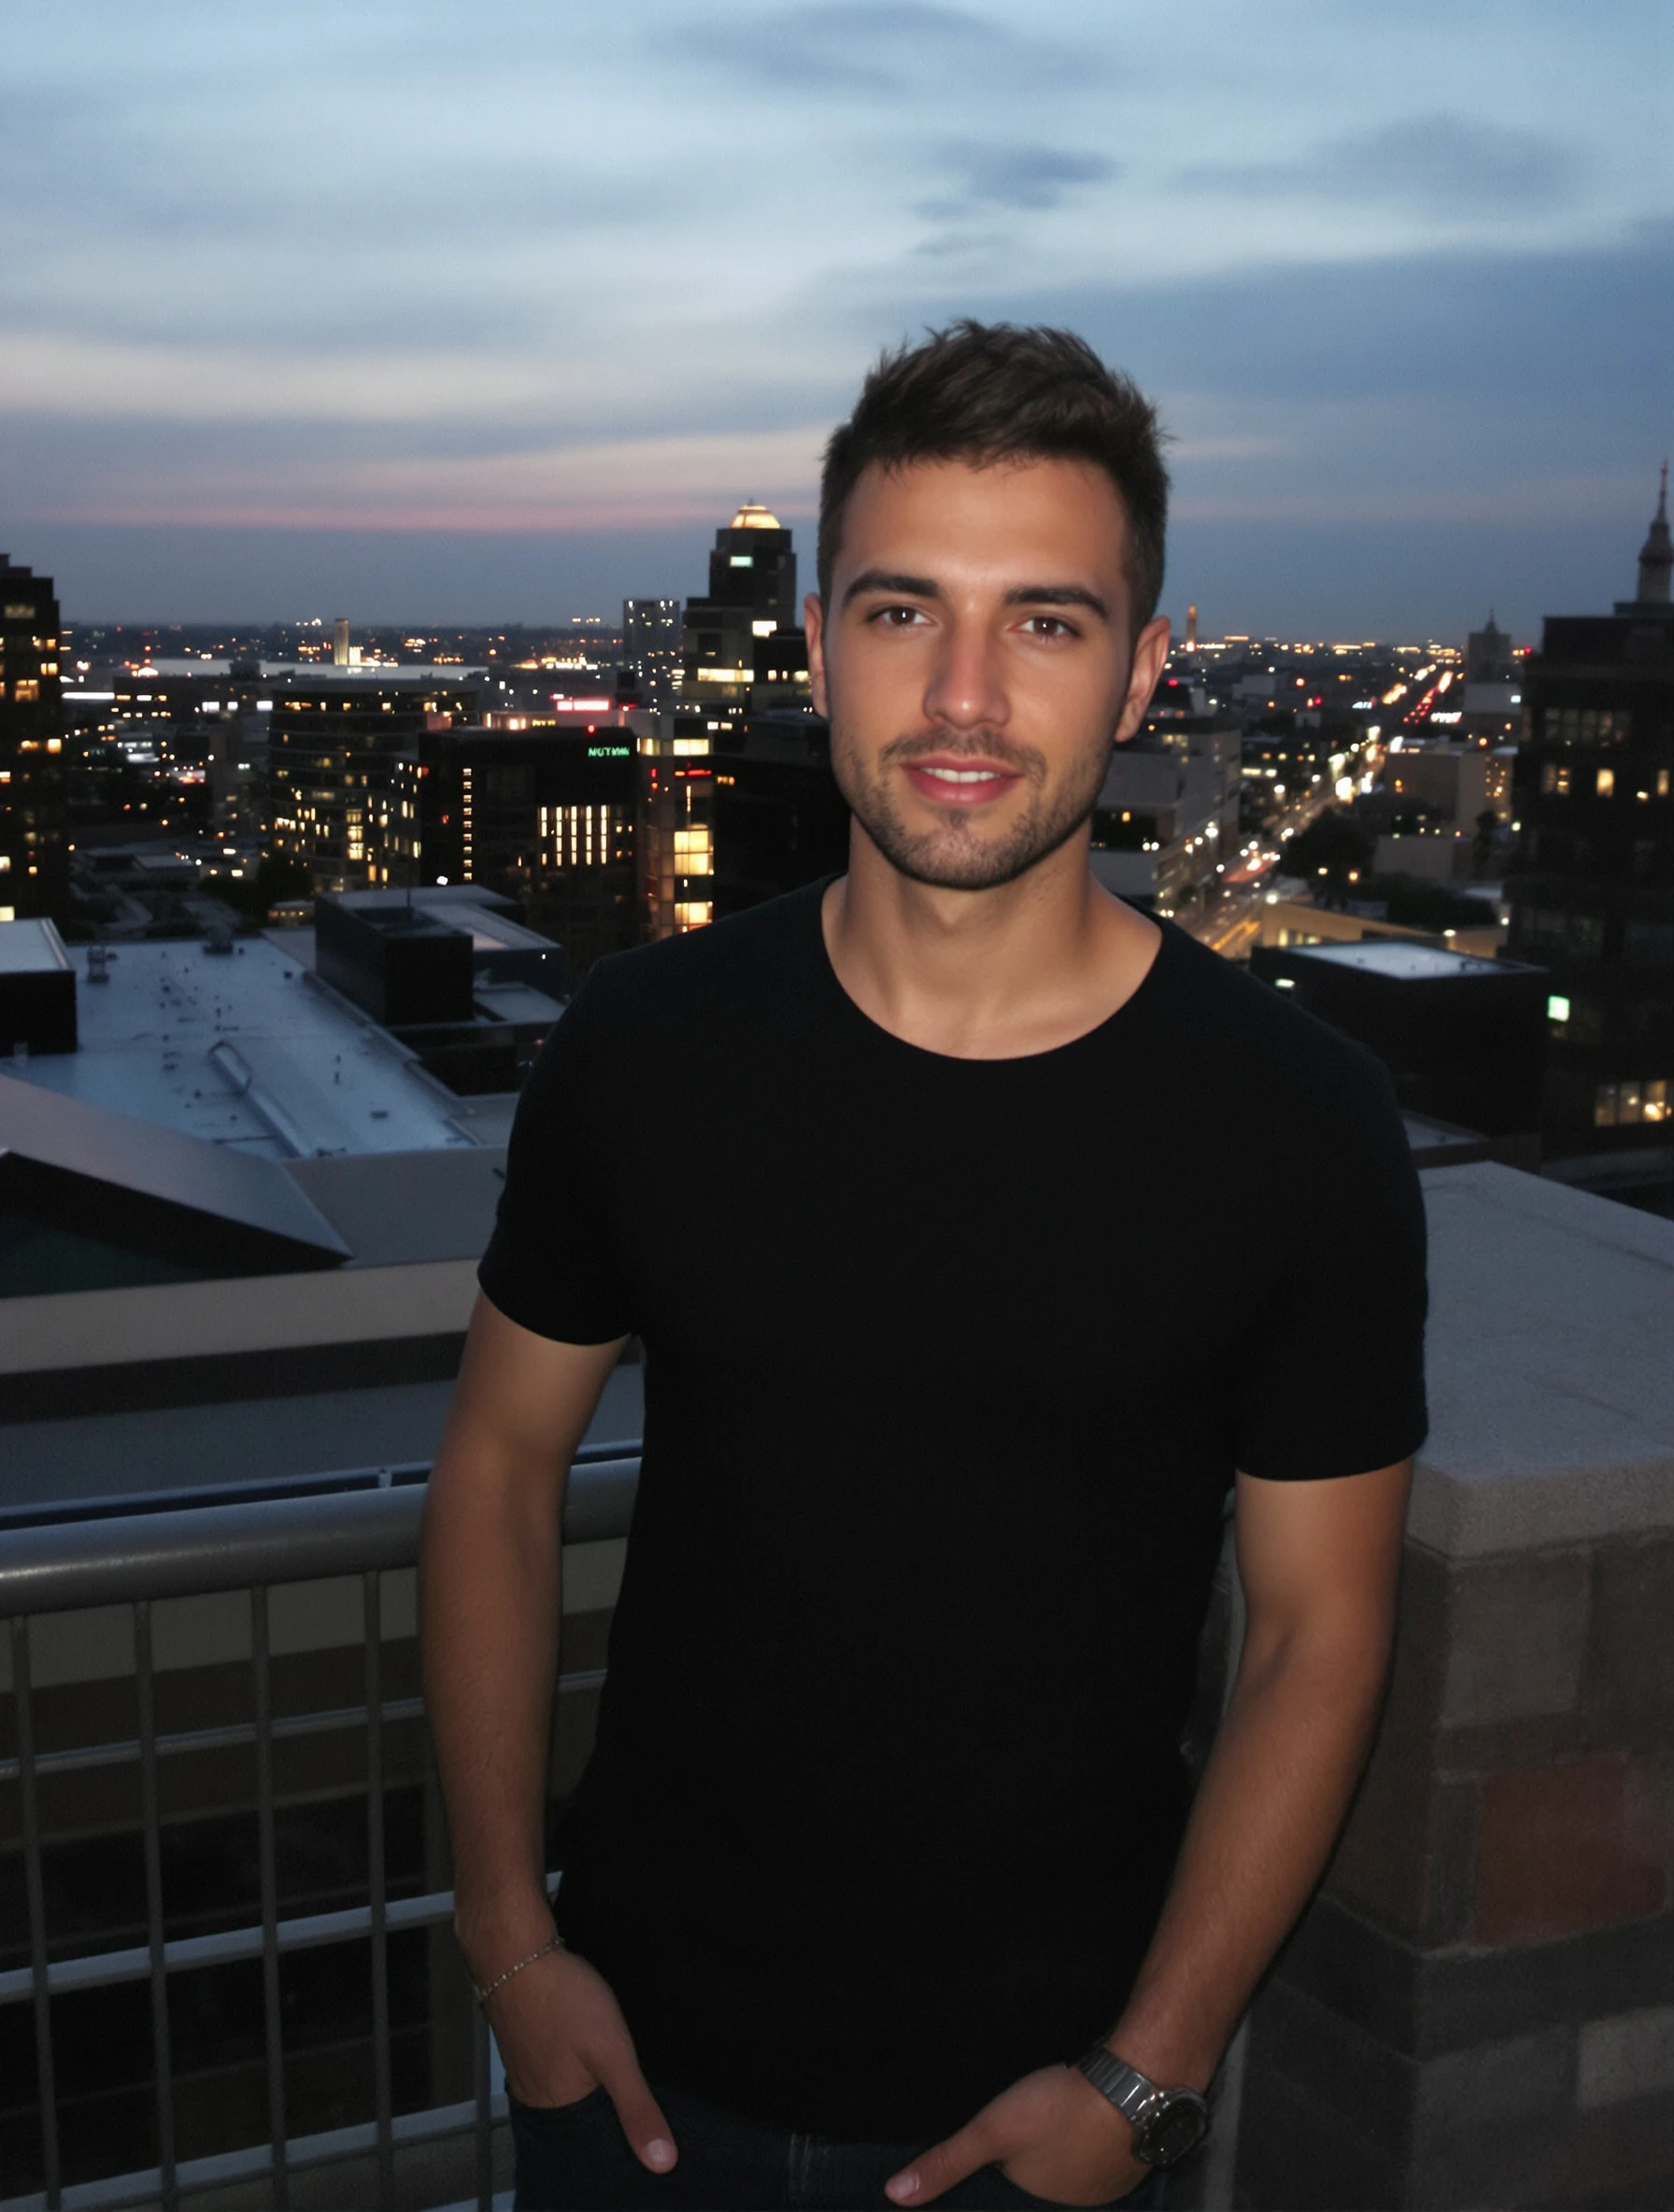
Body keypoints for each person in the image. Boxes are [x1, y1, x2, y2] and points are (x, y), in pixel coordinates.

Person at [419, 321, 1427, 2211]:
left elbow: (1315, 1633)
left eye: (1041, 622)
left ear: (1140, 671)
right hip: (628, 2076)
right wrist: (507, 1939)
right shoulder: (643, 1049)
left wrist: (1147, 2075)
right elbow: (492, 1465)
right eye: (902, 613)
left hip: (1037, 2116)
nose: (961, 694)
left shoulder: (1298, 1125)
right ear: (815, 645)